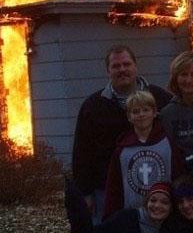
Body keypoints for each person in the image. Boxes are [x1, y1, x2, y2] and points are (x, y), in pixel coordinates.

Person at [72, 45, 172, 224]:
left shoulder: (161, 99)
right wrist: (85, 192)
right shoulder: (93, 106)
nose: (122, 70)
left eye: (127, 64)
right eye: (116, 66)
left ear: (135, 66)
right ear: (108, 71)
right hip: (107, 189)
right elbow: (82, 152)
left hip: (155, 188)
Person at [103, 90, 184, 217]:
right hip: (133, 215)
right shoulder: (122, 150)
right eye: (135, 111)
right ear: (129, 117)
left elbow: (178, 176)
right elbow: (114, 187)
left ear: (154, 112)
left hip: (166, 214)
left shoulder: (167, 143)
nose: (141, 115)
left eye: (146, 110)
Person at [160, 51, 193, 177]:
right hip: (181, 183)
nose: (189, 80)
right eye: (183, 75)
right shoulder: (167, 114)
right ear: (176, 78)